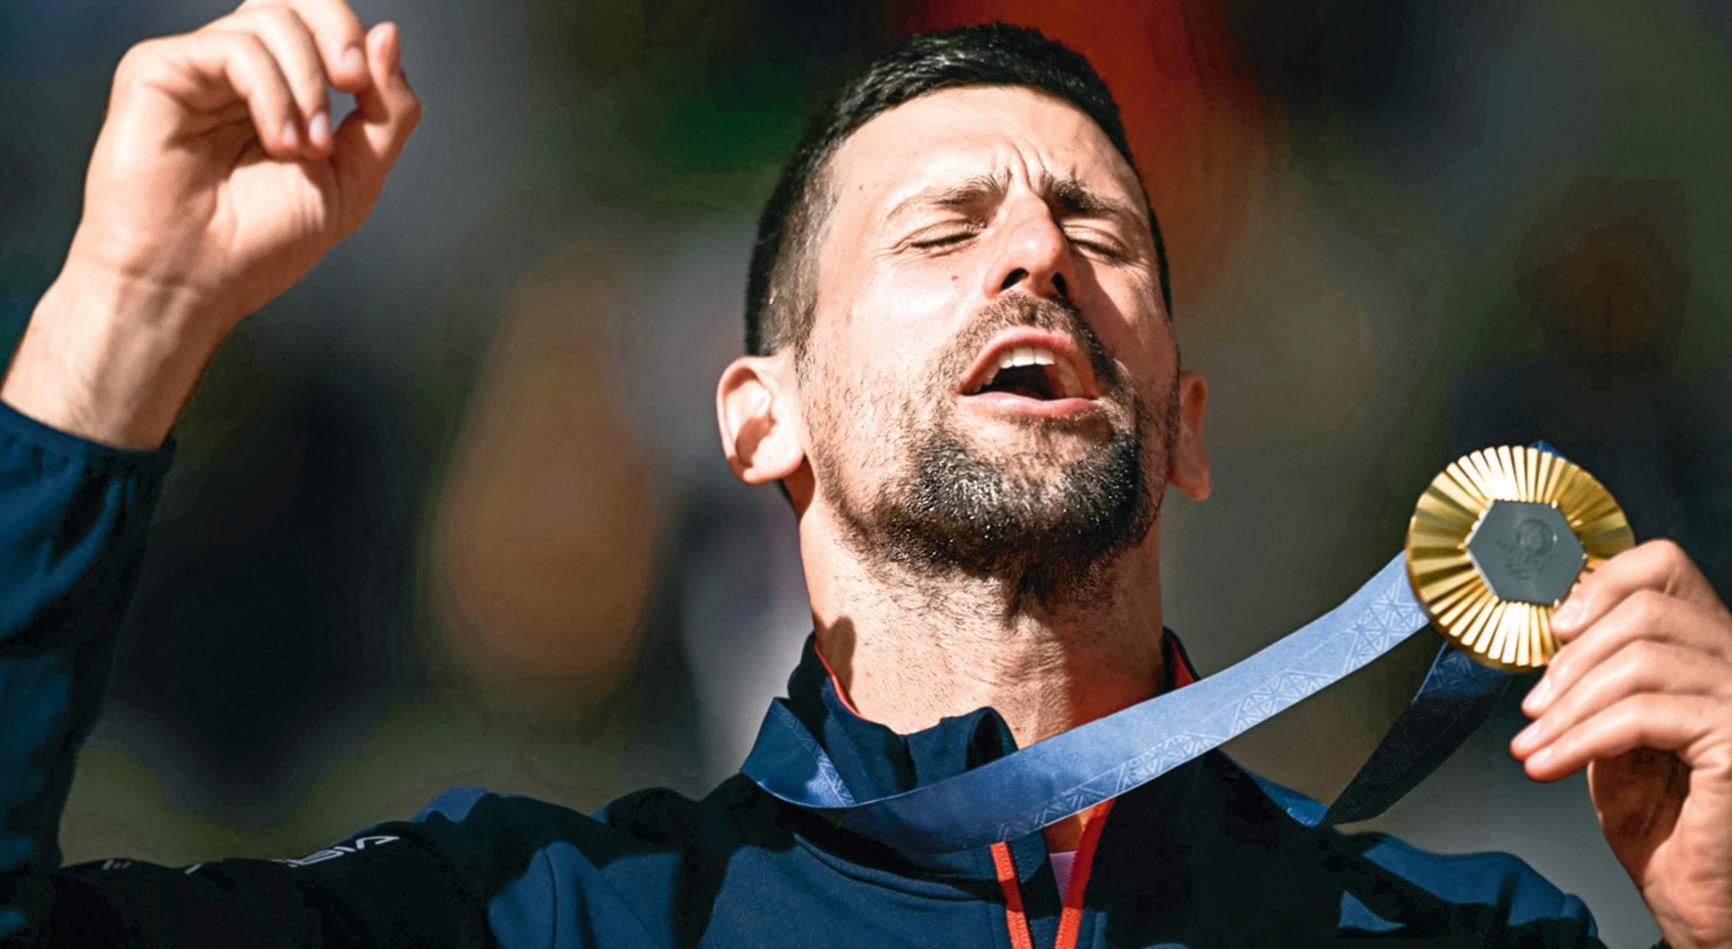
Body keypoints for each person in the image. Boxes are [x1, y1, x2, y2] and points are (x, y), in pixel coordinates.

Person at [2, 1, 1729, 945]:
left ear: (1188, 424)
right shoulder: (540, 921)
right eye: (943, 228)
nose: (1034, 254)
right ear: (763, 416)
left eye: (1099, 233)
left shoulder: (1451, 931)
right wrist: (124, 310)